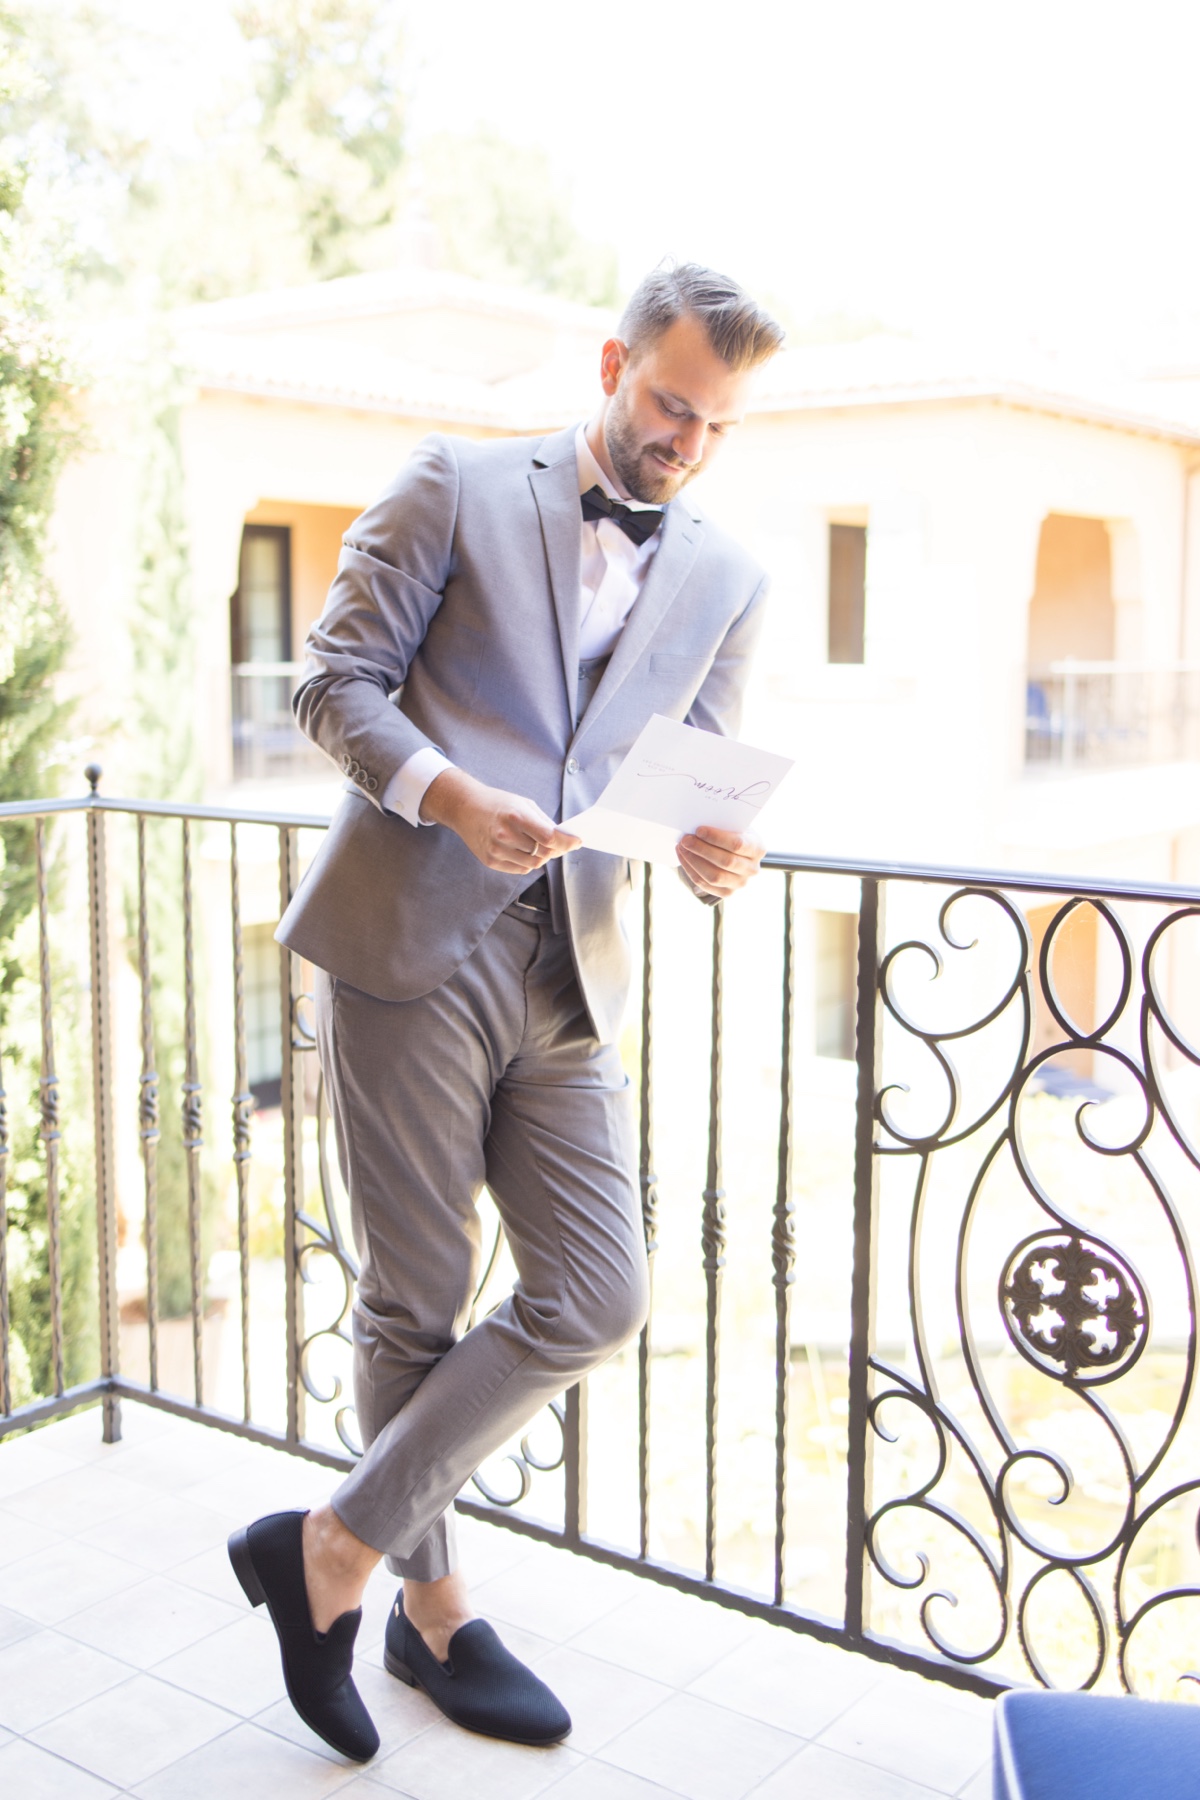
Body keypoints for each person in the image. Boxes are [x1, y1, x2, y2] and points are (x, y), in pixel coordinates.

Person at [227, 262, 784, 1762]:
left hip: (573, 968)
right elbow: (332, 682)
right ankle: (436, 1616)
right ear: (614, 363)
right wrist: (448, 793)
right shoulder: (456, 484)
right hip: (409, 935)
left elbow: (690, 780)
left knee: (599, 1291)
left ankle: (328, 1553)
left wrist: (715, 849)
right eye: (671, 403)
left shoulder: (729, 576)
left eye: (716, 424)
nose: (686, 441)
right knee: (414, 1299)